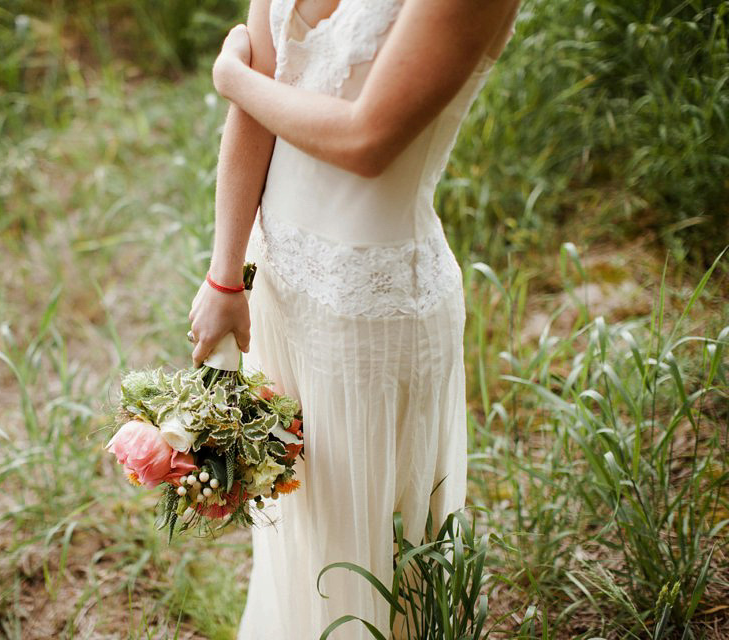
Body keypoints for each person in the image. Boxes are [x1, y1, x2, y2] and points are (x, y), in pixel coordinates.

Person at [188, 0, 519, 637]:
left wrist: (233, 78)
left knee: (373, 559)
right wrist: (226, 274)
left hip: (378, 314)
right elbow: (255, 116)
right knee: (300, 533)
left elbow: (367, 138)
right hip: (277, 292)